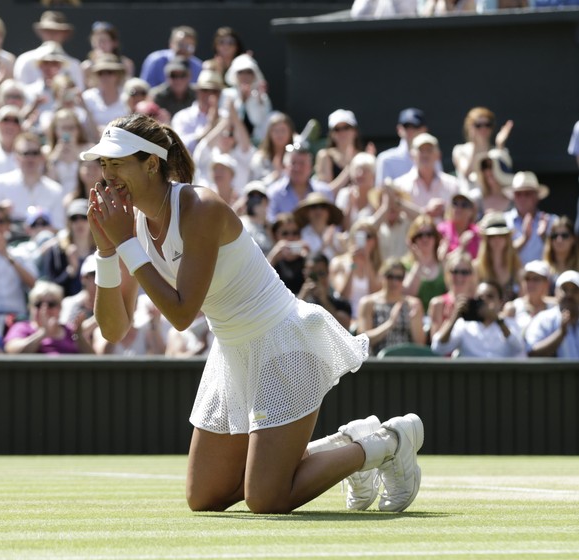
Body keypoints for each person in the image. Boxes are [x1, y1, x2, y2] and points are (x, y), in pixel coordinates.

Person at [82, 113, 422, 514]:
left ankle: (387, 442)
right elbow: (113, 329)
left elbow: (181, 312)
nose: (106, 174)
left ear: (151, 164)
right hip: (233, 353)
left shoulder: (199, 207)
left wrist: (124, 242)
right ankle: (348, 444)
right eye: (103, 164)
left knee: (266, 498)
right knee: (204, 498)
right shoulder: (134, 224)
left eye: (116, 163)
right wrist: (107, 250)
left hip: (284, 343)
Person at [0, 132, 65, 230]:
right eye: (26, 154)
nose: (30, 159)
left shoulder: (55, 190)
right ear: (16, 157)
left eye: (35, 153)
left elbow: (59, 227)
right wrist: (0, 211)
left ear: (41, 157)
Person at [432, 280, 525, 358]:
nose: (484, 301)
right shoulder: (464, 324)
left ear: (500, 302)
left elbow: (518, 348)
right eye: (480, 297)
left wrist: (499, 321)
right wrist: (454, 318)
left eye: (490, 296)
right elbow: (438, 347)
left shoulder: (509, 323)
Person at [4, 280, 93, 355]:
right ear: (30, 307)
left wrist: (80, 337)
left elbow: (93, 361)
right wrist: (43, 333)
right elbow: (12, 352)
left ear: (60, 307)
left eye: (51, 304)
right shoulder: (22, 327)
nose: (45, 309)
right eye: (38, 304)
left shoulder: (71, 330)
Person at [357, 258, 425, 355]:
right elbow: (363, 340)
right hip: (378, 361)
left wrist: (414, 321)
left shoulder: (412, 304)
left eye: (399, 278)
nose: (394, 282)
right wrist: (389, 324)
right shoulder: (368, 303)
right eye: (390, 276)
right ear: (382, 276)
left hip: (406, 360)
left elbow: (420, 344)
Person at [393, 133, 458, 217]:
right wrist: (427, 212)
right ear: (411, 155)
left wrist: (445, 212)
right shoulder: (399, 186)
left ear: (438, 155)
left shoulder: (453, 184)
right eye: (421, 150)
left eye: (429, 150)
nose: (425, 155)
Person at [266, 142, 333, 222]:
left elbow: (333, 223)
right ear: (285, 166)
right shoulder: (274, 193)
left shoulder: (324, 192)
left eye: (302, 163)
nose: (297, 168)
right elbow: (270, 222)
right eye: (293, 163)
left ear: (310, 167)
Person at [452, 107, 513, 191]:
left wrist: (500, 145)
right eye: (478, 125)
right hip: (470, 199)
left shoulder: (497, 151)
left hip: (490, 201)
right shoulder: (460, 150)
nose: (483, 128)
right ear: (470, 127)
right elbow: (465, 173)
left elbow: (504, 177)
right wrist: (476, 144)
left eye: (487, 125)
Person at [315, 109, 373, 194]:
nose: (342, 133)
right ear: (332, 134)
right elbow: (326, 194)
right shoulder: (325, 156)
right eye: (337, 129)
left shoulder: (363, 156)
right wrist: (349, 168)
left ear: (355, 131)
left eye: (346, 128)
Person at [525, 270, 579, 358]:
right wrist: (561, 333)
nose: (569, 295)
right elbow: (532, 351)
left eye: (575, 290)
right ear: (556, 292)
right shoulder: (544, 319)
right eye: (565, 289)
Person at [221, 54, 272, 146]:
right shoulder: (227, 94)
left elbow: (258, 121)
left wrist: (258, 100)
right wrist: (242, 100)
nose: (245, 75)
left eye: (249, 72)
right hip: (231, 144)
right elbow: (226, 121)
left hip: (256, 145)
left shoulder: (262, 96)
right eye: (241, 72)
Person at [170, 69, 224, 154]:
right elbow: (180, 147)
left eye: (214, 91)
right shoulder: (182, 116)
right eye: (205, 90)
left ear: (220, 94)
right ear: (197, 91)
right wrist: (210, 127)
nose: (209, 95)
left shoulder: (226, 117)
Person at [375, 108, 432, 187]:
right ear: (399, 129)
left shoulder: (432, 157)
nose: (410, 130)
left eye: (415, 126)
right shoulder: (385, 159)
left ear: (424, 129)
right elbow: (381, 193)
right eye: (406, 126)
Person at [504, 171, 552, 265]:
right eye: (518, 194)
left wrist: (544, 238)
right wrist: (524, 239)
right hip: (513, 278)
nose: (522, 198)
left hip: (543, 278)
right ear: (513, 197)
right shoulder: (503, 221)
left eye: (527, 194)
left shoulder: (551, 221)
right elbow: (500, 256)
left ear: (537, 196)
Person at [427, 250, 477, 340]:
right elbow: (436, 343)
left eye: (464, 272)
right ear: (447, 274)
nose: (459, 276)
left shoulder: (478, 302)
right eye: (455, 271)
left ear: (472, 275)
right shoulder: (438, 304)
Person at [297, 253, 352, 330]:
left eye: (321, 273)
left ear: (328, 273)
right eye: (312, 275)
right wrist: (302, 297)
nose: (318, 279)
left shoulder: (341, 304)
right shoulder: (296, 302)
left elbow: (344, 328)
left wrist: (324, 300)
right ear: (305, 274)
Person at [476, 212, 523, 302]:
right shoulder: (477, 267)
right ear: (487, 240)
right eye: (492, 236)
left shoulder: (516, 267)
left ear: (507, 239)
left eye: (501, 236)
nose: (497, 240)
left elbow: (523, 298)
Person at [404, 215, 447, 314]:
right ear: (413, 239)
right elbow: (409, 293)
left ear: (436, 238)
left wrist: (443, 261)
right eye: (419, 235)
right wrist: (419, 263)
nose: (425, 239)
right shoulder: (406, 265)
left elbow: (452, 289)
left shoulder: (444, 262)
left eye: (429, 234)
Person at [503, 260, 557, 335]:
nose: (530, 283)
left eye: (536, 279)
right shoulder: (513, 307)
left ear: (546, 283)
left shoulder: (554, 307)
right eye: (527, 279)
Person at [266, 212, 307, 293]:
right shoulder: (270, 258)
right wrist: (274, 256)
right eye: (285, 233)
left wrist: (309, 257)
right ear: (275, 235)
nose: (290, 237)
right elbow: (261, 279)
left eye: (295, 233)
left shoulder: (304, 258)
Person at [249, 111, 294, 185]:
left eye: (283, 130)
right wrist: (275, 175)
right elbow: (256, 184)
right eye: (276, 131)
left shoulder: (295, 156)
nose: (280, 134)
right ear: (269, 134)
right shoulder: (260, 158)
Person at [438, 192, 481, 259]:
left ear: (472, 211)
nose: (458, 208)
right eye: (455, 203)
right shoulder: (442, 230)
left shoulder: (477, 233)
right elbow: (440, 260)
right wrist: (462, 247)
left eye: (464, 205)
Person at [542, 216, 579, 290]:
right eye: (554, 236)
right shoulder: (543, 269)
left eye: (564, 235)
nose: (559, 240)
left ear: (573, 239)